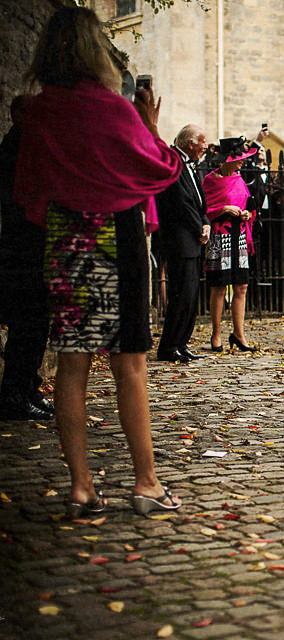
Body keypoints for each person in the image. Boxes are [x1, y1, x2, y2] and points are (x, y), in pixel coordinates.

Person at [14, 6, 183, 515]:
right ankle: (146, 483)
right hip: (118, 236)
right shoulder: (115, 110)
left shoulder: (39, 112)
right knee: (128, 363)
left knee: (72, 363)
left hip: (68, 239)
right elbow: (163, 168)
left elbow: (29, 193)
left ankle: (83, 487)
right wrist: (150, 124)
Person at [0, 95, 54, 420]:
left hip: (33, 248)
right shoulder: (14, 148)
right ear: (19, 115)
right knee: (27, 326)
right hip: (23, 251)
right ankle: (15, 394)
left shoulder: (26, 146)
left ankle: (28, 387)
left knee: (36, 326)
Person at [155, 124, 210, 363]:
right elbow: (181, 202)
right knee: (181, 295)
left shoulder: (190, 165)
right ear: (190, 143)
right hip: (180, 238)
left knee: (191, 295)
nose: (205, 147)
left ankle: (182, 342)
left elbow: (199, 201)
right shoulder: (175, 161)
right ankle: (169, 346)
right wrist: (199, 228)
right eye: (203, 142)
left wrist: (206, 222)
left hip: (194, 238)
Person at [203, 137, 260, 353]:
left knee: (241, 286)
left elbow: (248, 205)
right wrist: (224, 208)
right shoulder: (209, 181)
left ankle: (239, 333)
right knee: (219, 286)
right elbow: (204, 210)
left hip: (240, 235)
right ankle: (216, 333)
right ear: (225, 160)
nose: (241, 163)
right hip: (220, 236)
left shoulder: (239, 179)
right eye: (238, 159)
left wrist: (247, 213)